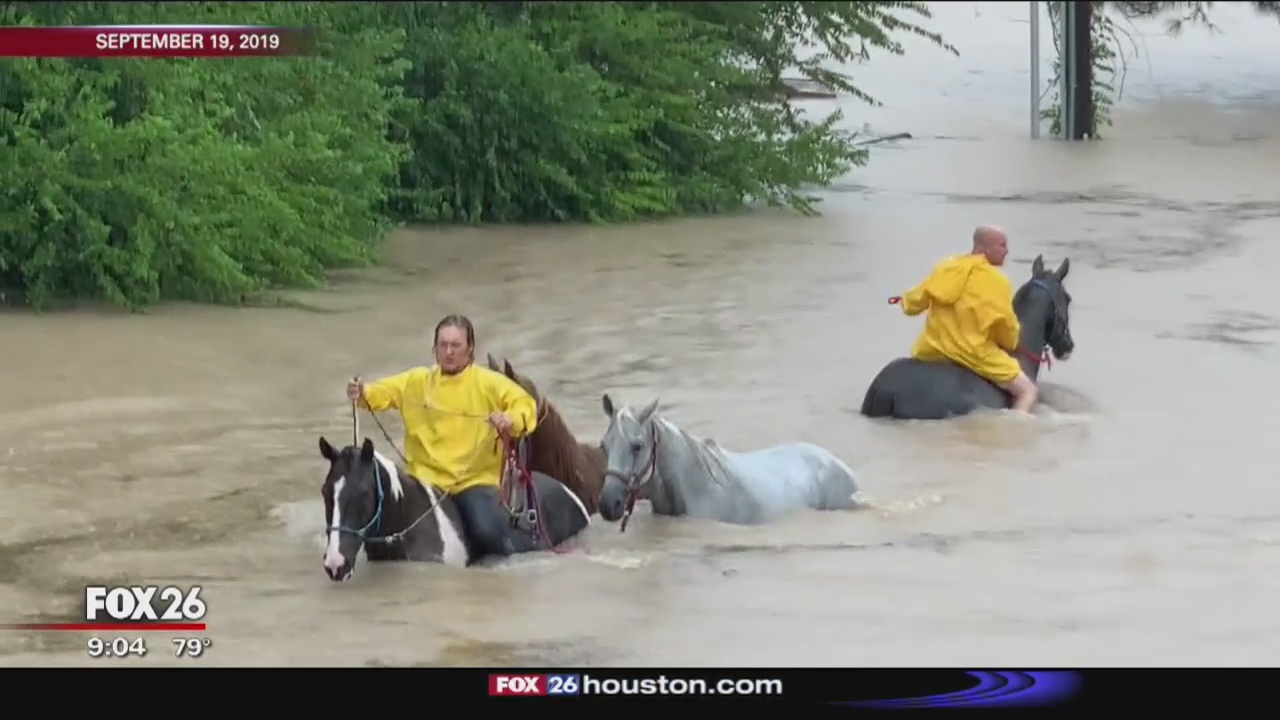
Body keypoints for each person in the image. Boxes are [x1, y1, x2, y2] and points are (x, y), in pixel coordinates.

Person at [345, 314, 538, 562]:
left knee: (487, 532)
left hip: (472, 481)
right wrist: (361, 391)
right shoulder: (416, 381)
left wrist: (510, 418)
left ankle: (502, 575)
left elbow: (526, 405)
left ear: (470, 349)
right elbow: (378, 393)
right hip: (423, 481)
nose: (448, 352)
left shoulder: (490, 383)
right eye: (442, 345)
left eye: (455, 345)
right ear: (434, 349)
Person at [895, 225, 1037, 414]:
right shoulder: (997, 281)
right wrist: (1011, 344)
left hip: (932, 349)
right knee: (1028, 391)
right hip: (973, 354)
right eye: (1002, 245)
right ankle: (1015, 426)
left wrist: (902, 301)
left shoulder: (946, 267)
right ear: (985, 248)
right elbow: (1006, 328)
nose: (1007, 251)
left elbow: (914, 303)